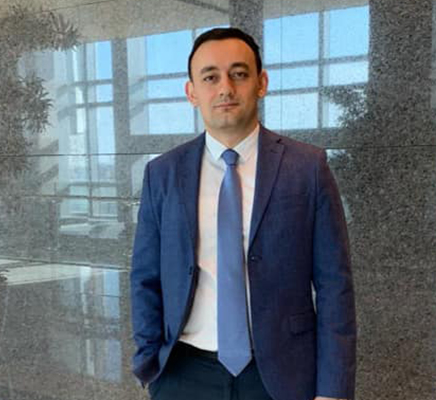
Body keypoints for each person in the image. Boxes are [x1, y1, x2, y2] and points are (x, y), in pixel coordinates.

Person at [130, 27, 356, 400]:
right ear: (191, 92)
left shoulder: (307, 168)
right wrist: (148, 361)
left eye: (239, 73)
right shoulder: (163, 173)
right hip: (182, 374)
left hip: (282, 375)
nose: (225, 88)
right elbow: (145, 277)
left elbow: (335, 285)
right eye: (210, 77)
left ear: (261, 83)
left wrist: (333, 390)